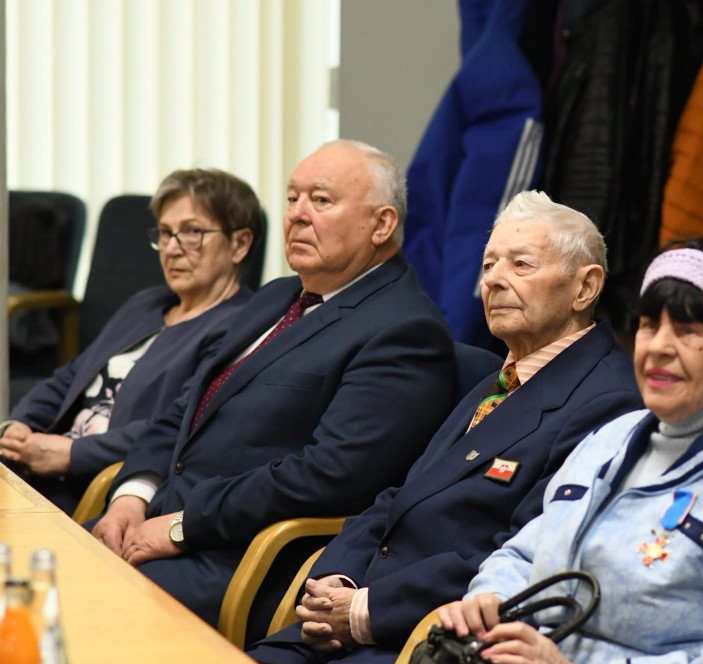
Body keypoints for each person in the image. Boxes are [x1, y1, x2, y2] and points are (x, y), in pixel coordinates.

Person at [247, 190, 644, 664]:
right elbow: (400, 497)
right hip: (348, 615)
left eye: (520, 265)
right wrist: (336, 580)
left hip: (428, 638)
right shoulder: (500, 379)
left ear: (585, 288)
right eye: (488, 265)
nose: (493, 280)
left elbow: (521, 557)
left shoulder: (610, 402)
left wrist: (364, 611)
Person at [89, 139, 457, 629]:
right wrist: (131, 496)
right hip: (156, 521)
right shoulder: (277, 296)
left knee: (73, 610)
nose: (296, 215)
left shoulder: (405, 330)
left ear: (382, 224)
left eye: (321, 200)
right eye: (291, 198)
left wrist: (181, 526)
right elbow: (185, 410)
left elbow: (327, 475)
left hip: (239, 559)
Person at [439, 238, 703, 664]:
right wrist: (489, 600)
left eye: (688, 331)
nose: (658, 347)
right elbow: (522, 553)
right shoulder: (611, 438)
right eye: (649, 325)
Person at [0, 168, 261, 514]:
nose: (171, 249)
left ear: (240, 244)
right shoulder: (146, 303)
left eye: (192, 232)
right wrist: (19, 425)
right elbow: (71, 375)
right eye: (165, 233)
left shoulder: (241, 327)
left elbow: (179, 428)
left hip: (99, 487)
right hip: (39, 465)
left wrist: (71, 454)